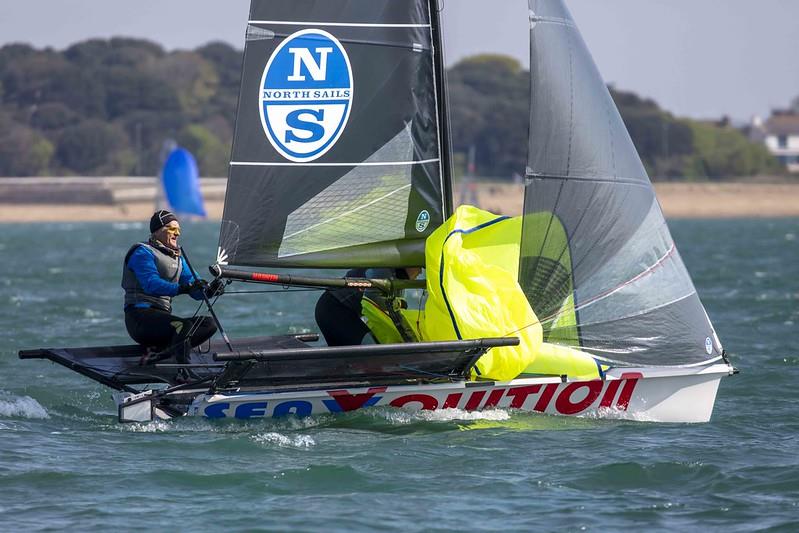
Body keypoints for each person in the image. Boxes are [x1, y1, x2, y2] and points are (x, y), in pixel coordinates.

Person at [121, 210, 223, 365]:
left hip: (162, 319)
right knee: (183, 326)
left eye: (179, 230)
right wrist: (183, 288)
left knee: (209, 324)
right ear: (157, 231)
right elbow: (151, 284)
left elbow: (194, 287)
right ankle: (183, 370)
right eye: (172, 229)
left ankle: (162, 354)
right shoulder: (142, 252)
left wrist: (209, 290)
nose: (177, 234)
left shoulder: (178, 258)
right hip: (140, 318)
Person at [314, 267, 421, 346]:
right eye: (419, 266)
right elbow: (374, 302)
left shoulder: (396, 277)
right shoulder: (384, 269)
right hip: (334, 310)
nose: (420, 272)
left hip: (335, 309)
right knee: (374, 356)